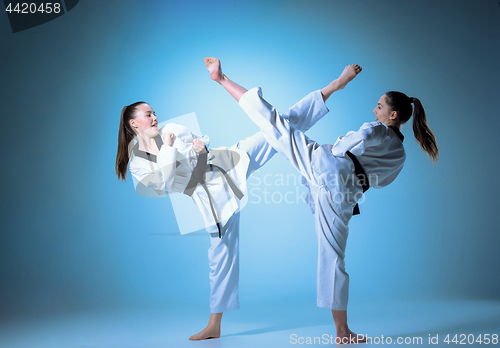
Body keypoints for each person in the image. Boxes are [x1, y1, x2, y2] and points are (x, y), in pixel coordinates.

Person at [204, 56, 439, 344]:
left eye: (380, 106)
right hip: (346, 193)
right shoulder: (400, 154)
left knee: (274, 123)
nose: (374, 109)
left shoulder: (377, 128)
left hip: (329, 168)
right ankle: (342, 332)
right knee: (333, 257)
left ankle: (222, 80)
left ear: (393, 116)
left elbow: (357, 137)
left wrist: (336, 149)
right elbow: (382, 181)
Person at [115, 82, 331, 340]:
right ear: (133, 124)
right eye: (148, 114)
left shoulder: (171, 128)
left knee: (276, 127)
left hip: (227, 162)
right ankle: (214, 326)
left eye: (154, 112)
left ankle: (330, 89)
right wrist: (171, 148)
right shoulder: (138, 163)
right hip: (211, 197)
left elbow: (202, 147)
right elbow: (165, 184)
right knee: (221, 256)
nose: (154, 117)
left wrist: (200, 149)